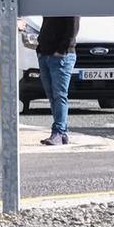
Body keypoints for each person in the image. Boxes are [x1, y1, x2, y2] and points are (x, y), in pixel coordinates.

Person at [34, 16, 80, 146]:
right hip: (45, 54)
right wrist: (40, 49)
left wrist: (62, 50)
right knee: (52, 96)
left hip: (61, 56)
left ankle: (58, 132)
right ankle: (61, 133)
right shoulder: (51, 2)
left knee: (59, 95)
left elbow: (73, 26)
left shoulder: (68, 2)